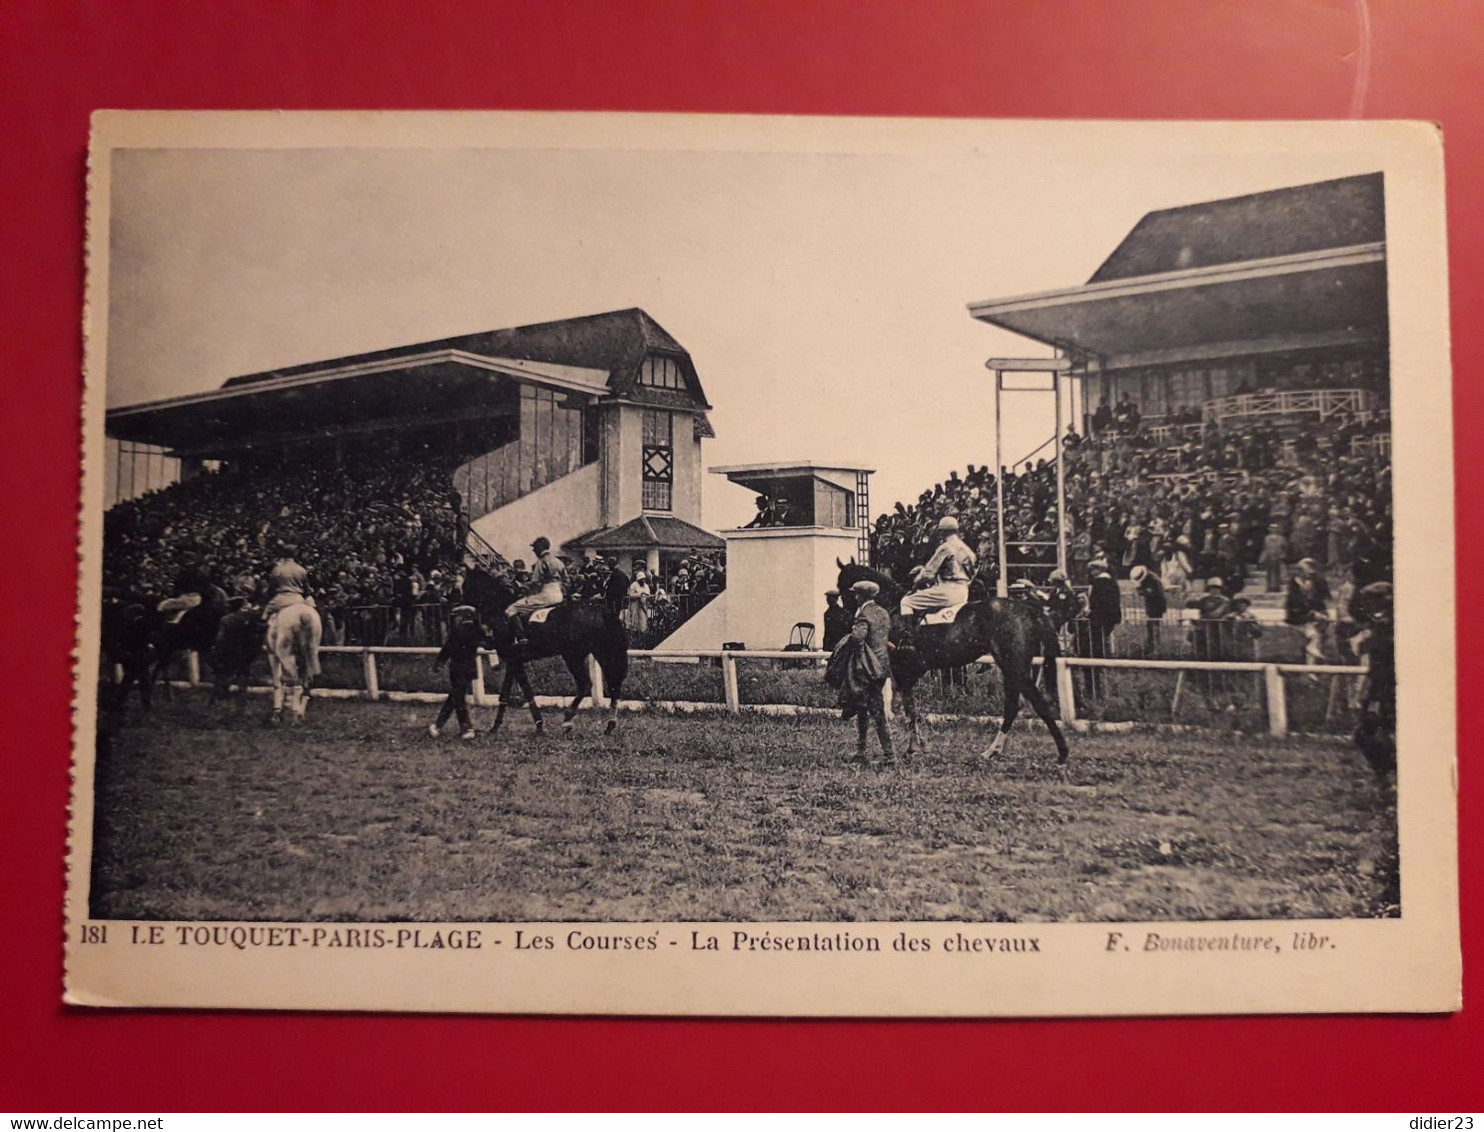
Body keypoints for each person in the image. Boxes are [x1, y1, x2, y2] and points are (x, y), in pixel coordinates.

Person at [834, 579, 894, 764]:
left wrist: (848, 638)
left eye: (856, 594)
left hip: (866, 669)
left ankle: (889, 755)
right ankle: (861, 751)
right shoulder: (883, 612)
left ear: (861, 596)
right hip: (881, 668)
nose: (854, 597)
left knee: (875, 711)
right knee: (863, 709)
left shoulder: (863, 615)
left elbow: (858, 638)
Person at [899, 515, 976, 630]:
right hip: (964, 591)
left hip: (947, 591)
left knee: (906, 601)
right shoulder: (968, 550)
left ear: (942, 532)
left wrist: (916, 581)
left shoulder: (945, 547)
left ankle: (908, 637)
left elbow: (928, 574)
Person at [429, 605, 483, 740]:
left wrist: (439, 663)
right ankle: (459, 727)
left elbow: (447, 648)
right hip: (467, 668)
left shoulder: (457, 632)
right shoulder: (475, 632)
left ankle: (456, 727)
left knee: (456, 697)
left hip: (458, 668)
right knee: (457, 697)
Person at [505, 536, 568, 646]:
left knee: (511, 609)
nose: (533, 550)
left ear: (540, 547)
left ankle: (521, 638)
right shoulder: (558, 561)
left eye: (535, 547)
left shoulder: (541, 562)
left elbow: (535, 582)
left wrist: (525, 588)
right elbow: (567, 580)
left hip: (546, 594)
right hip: (559, 594)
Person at [1285, 557, 1332, 665]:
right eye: (1302, 569)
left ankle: (1312, 666)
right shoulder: (1294, 582)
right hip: (1301, 615)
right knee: (1313, 637)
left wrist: (1318, 612)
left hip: (1316, 613)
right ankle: (1310, 665)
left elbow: (1323, 598)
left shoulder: (1318, 580)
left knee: (1318, 637)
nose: (1307, 572)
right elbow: (1293, 602)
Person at [262, 544, 312, 631]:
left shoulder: (277, 569)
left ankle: (263, 640)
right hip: (297, 599)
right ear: (295, 554)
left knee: (264, 615)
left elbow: (271, 589)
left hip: (280, 598)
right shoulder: (301, 569)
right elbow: (307, 590)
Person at [1130, 564, 1167, 654]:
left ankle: (1154, 646)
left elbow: (1151, 592)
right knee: (1150, 626)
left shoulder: (1152, 580)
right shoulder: (1150, 578)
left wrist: (1141, 591)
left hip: (1156, 606)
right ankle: (1151, 645)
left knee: (1153, 626)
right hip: (1153, 605)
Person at [1259, 523, 1289, 592]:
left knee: (1277, 572)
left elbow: (1285, 548)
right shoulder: (1267, 538)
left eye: (1274, 529)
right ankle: (1269, 586)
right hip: (1269, 556)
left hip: (1277, 556)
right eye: (1272, 529)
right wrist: (1263, 557)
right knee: (1269, 572)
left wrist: (1283, 555)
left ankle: (1276, 586)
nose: (1273, 530)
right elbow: (1265, 548)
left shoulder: (1281, 538)